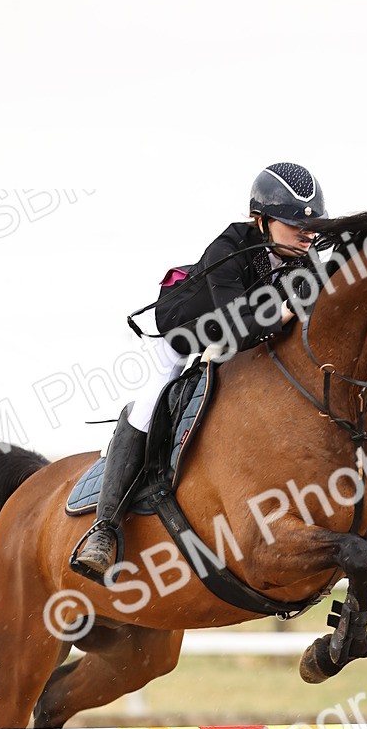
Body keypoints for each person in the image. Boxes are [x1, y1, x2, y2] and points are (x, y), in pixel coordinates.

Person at [71, 162, 327, 576]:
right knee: (150, 405)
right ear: (260, 221)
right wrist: (281, 314)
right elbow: (230, 323)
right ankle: (104, 528)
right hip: (186, 333)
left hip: (242, 340)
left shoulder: (307, 260)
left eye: (311, 225)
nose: (306, 233)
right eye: (293, 223)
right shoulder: (229, 247)